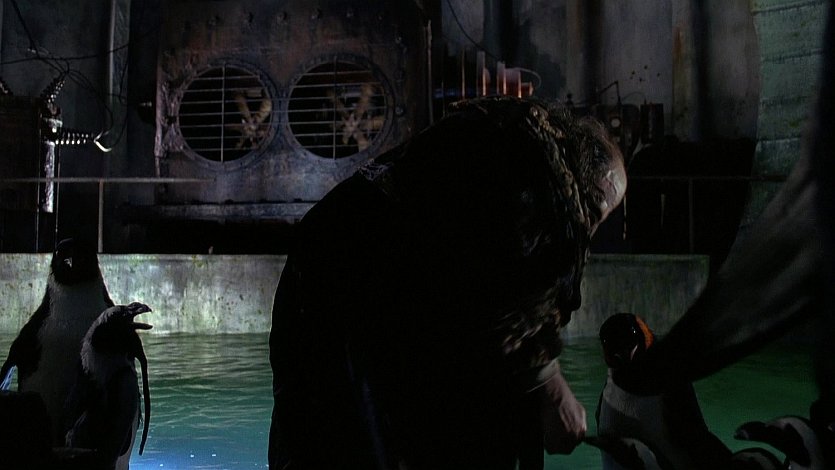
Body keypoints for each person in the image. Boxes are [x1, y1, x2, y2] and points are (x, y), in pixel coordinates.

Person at [268, 96, 627, 470]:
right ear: (587, 182)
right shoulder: (544, 187)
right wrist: (550, 388)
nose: (594, 226)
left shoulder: (508, 133)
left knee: (316, 434)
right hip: (363, 294)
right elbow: (501, 290)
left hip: (316, 264)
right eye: (600, 211)